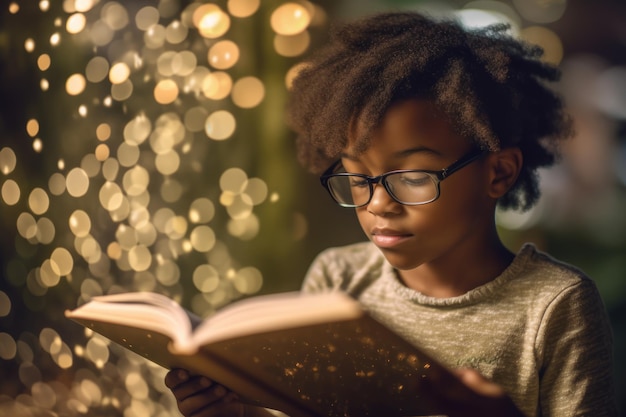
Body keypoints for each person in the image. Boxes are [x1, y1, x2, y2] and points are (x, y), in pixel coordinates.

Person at [165, 11, 617, 417]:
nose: (378, 203)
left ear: (497, 173)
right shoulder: (337, 281)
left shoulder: (556, 305)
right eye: (358, 178)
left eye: (414, 177)